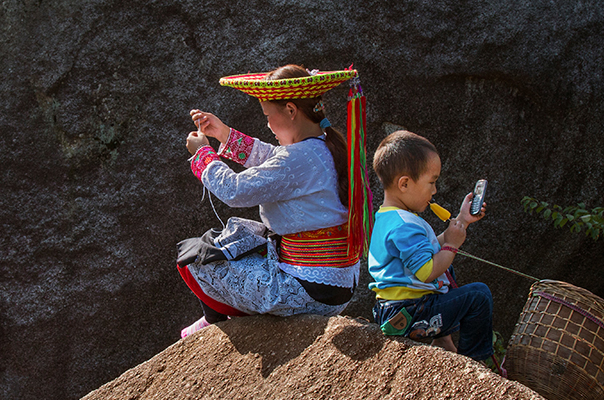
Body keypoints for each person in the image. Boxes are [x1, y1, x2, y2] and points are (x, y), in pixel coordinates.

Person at [176, 64, 374, 338]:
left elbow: (234, 190)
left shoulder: (299, 158)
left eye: (268, 115)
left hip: (310, 289)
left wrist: (203, 154)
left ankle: (215, 318)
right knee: (229, 242)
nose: (267, 124)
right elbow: (272, 158)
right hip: (335, 284)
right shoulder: (323, 145)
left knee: (196, 255)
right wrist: (222, 133)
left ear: (291, 110)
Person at [367, 129, 494, 362]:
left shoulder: (390, 217)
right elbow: (426, 272)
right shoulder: (404, 225)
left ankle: (443, 341)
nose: (434, 191)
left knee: (448, 269)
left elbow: (433, 247)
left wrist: (462, 221)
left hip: (393, 310)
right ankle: (476, 362)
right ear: (404, 183)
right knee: (479, 295)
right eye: (431, 182)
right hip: (410, 314)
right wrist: (453, 246)